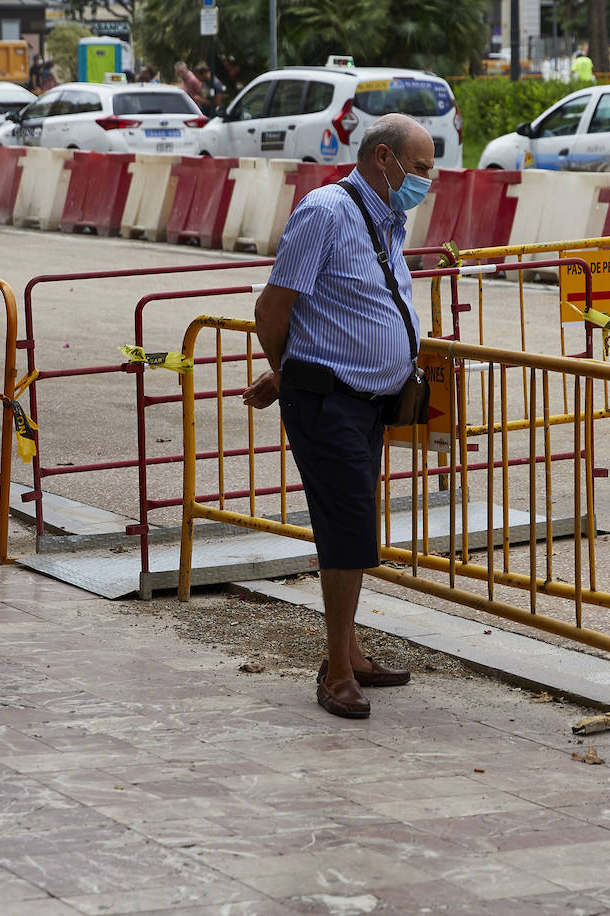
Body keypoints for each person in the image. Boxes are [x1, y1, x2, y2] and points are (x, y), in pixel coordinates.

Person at [241, 114, 436, 720]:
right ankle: (337, 671)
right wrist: (290, 370)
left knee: (345, 528)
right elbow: (273, 308)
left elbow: (339, 307)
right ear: (385, 159)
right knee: (351, 532)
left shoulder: (386, 219)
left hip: (364, 402)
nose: (427, 181)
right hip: (326, 399)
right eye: (422, 168)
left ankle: (349, 650)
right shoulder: (326, 211)